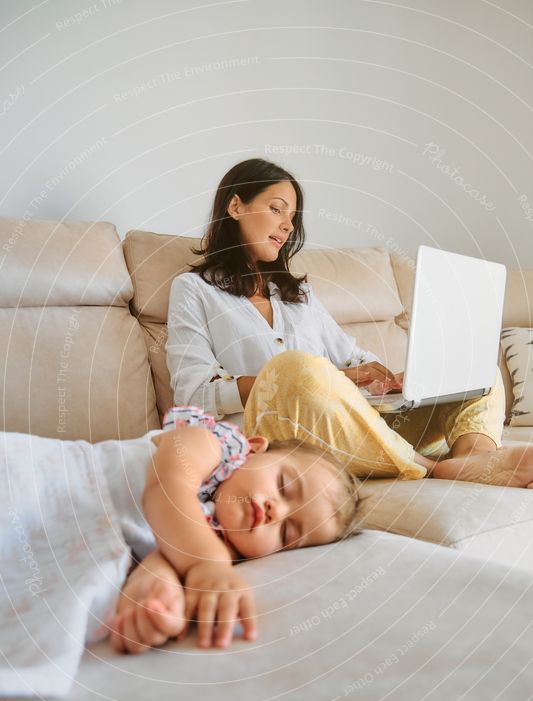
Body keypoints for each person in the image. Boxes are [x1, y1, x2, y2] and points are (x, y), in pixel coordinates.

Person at [166, 157, 533, 492]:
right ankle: (430, 467)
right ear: (235, 206)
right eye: (276, 209)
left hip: (350, 429)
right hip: (277, 436)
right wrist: (325, 376)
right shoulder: (194, 290)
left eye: (291, 218)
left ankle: (476, 460)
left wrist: (388, 377)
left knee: (475, 368)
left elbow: (351, 357)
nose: (286, 225)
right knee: (293, 367)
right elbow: (192, 391)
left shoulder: (298, 294)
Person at [95, 406, 360, 653]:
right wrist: (206, 563)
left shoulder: (219, 544)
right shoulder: (213, 446)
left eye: (286, 534)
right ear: (254, 449)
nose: (276, 512)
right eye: (283, 485)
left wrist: (154, 593)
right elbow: (168, 485)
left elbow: (168, 550)